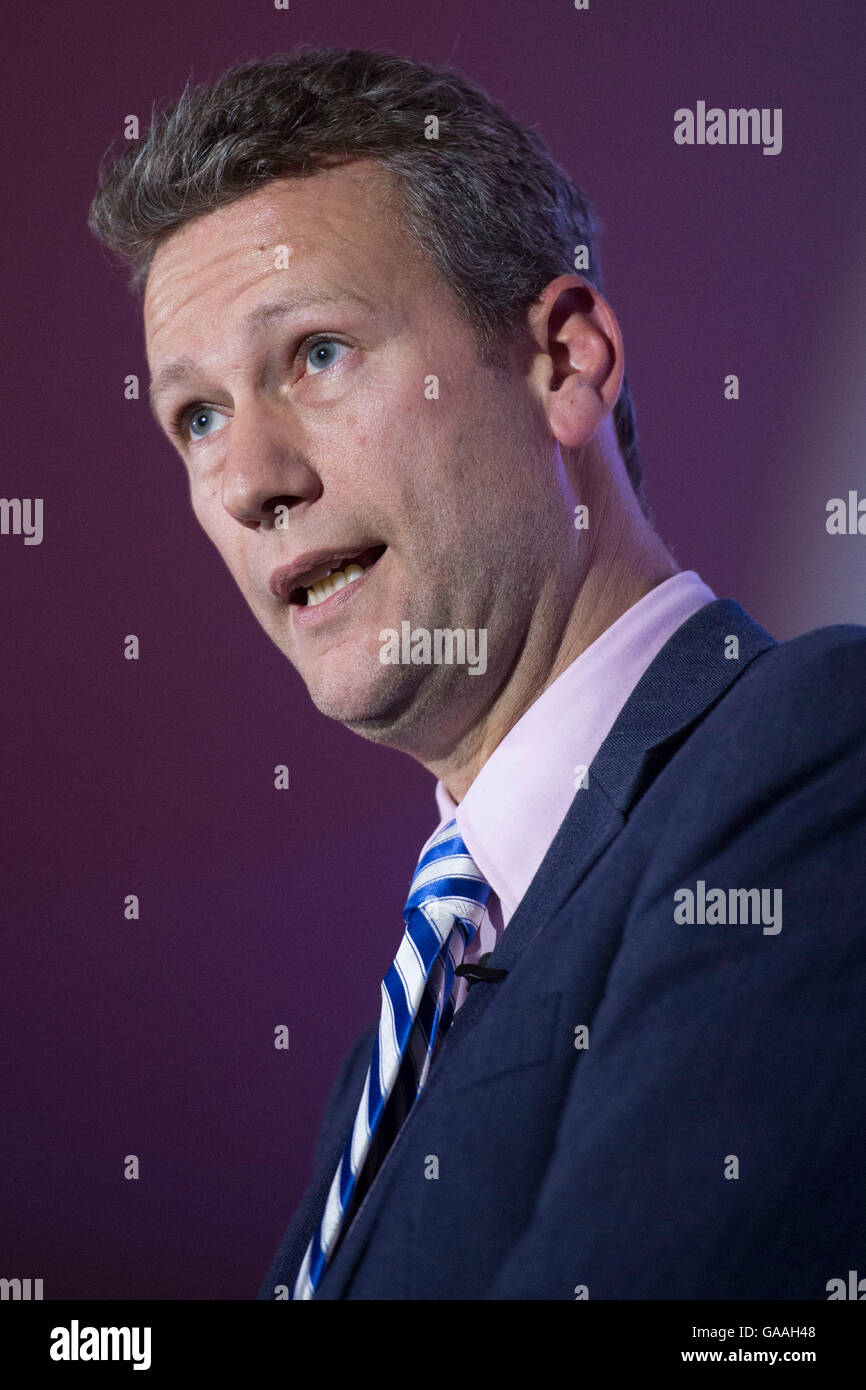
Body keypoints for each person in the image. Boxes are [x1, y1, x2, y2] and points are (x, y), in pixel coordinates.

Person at [88, 47, 866, 1300]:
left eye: (317, 354)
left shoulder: (809, 757)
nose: (248, 482)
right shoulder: (408, 1028)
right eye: (198, 416)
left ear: (566, 363)